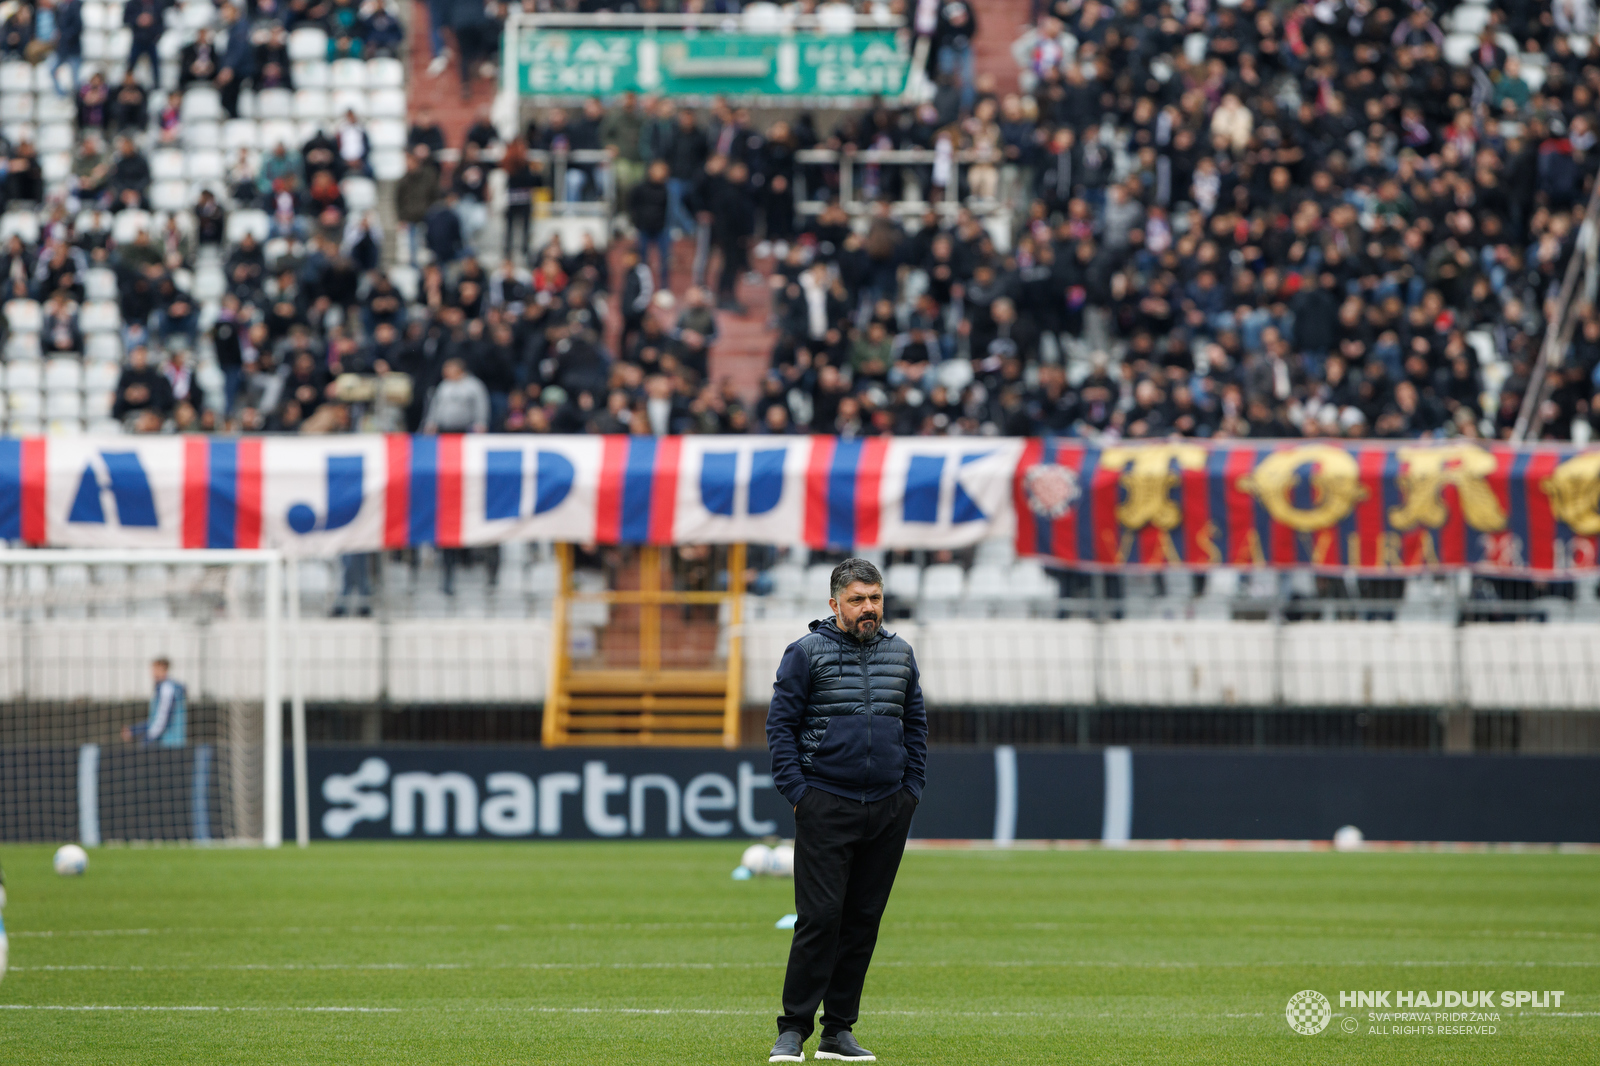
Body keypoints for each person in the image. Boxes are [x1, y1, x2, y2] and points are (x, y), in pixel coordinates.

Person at [765, 558, 927, 1064]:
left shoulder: (901, 654)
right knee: (819, 918)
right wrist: (799, 793)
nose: (868, 608)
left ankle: (838, 1031)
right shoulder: (805, 653)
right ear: (835, 604)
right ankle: (792, 1030)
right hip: (825, 803)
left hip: (887, 806)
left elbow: (915, 725)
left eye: (875, 598)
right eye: (857, 599)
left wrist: (910, 790)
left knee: (863, 920)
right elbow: (779, 728)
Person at [121, 657, 186, 747]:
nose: (153, 673)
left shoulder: (166, 689)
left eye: (156, 669)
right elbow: (154, 720)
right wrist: (134, 730)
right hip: (168, 743)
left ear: (164, 670)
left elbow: (162, 720)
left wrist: (147, 740)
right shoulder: (162, 688)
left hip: (169, 743)